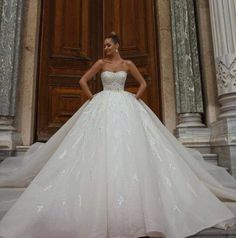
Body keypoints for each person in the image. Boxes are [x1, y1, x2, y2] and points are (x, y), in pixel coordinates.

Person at [0, 32, 236, 238]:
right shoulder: (100, 63)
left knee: (128, 148)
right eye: (104, 45)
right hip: (102, 104)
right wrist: (92, 97)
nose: (106, 48)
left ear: (117, 45)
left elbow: (143, 83)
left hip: (125, 104)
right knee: (97, 148)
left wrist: (135, 97)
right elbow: (83, 80)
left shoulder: (128, 64)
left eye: (109, 45)